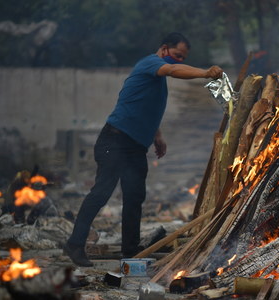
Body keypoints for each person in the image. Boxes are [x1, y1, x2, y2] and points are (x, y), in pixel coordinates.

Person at [63, 32, 223, 267]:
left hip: (135, 147)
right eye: (177, 56)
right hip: (114, 140)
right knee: (101, 193)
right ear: (164, 49)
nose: (178, 61)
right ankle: (75, 244)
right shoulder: (152, 64)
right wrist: (204, 73)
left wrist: (156, 135)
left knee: (135, 196)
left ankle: (130, 251)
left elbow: (145, 106)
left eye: (183, 58)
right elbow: (173, 71)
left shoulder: (156, 79)